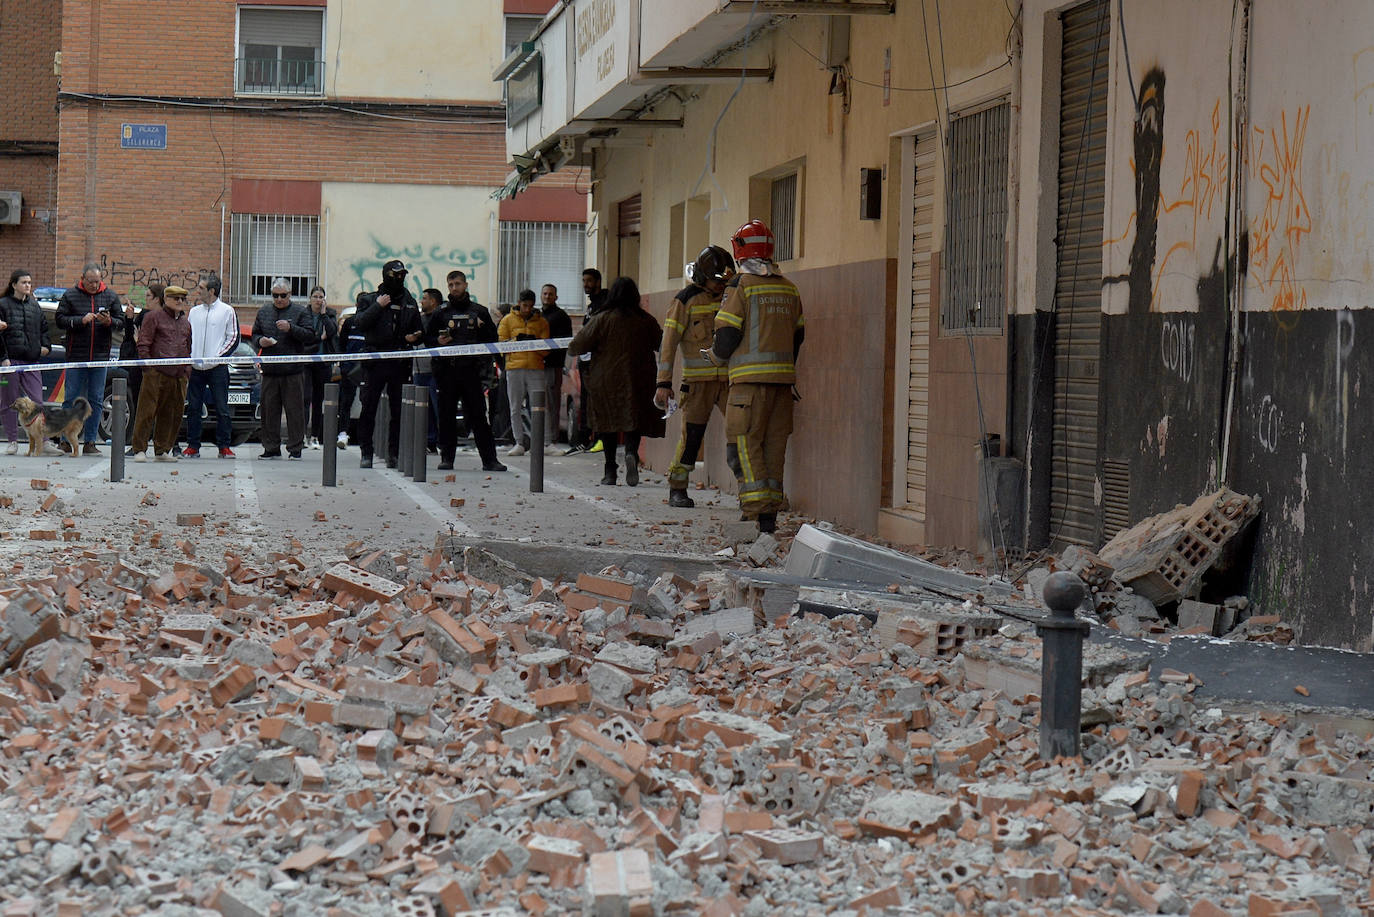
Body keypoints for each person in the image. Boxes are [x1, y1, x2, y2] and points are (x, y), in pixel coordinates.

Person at [711, 220, 805, 535]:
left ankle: (754, 515)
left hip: (748, 389)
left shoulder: (740, 286)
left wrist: (715, 357)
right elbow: (798, 336)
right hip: (782, 387)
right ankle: (768, 523)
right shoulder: (789, 288)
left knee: (743, 448)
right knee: (773, 451)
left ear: (739, 249)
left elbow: (726, 336)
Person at [655, 245, 736, 507]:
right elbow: (668, 344)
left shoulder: (733, 297)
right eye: (715, 281)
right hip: (697, 384)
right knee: (691, 438)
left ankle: (749, 491)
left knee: (741, 434)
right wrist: (663, 383)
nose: (719, 286)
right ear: (703, 277)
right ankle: (677, 487)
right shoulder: (684, 301)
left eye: (723, 281)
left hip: (729, 382)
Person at [567, 276, 665, 486]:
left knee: (607, 423)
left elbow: (577, 346)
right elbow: (661, 344)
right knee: (633, 420)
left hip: (605, 379)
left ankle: (610, 470)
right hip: (640, 377)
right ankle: (631, 452)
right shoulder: (645, 320)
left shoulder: (602, 318)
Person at [428, 270, 505, 472]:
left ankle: (490, 460)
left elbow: (492, 340)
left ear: (466, 285)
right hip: (448, 372)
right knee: (446, 416)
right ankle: (447, 458)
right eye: (451, 285)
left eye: (458, 284)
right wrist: (438, 341)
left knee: (479, 417)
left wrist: (481, 329)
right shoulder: (440, 313)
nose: (455, 288)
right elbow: (428, 341)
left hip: (472, 372)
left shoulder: (479, 311)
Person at [354, 259, 422, 469]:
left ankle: (394, 453)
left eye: (402, 275)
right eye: (395, 275)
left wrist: (414, 338)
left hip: (399, 361)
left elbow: (419, 331)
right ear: (386, 274)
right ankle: (367, 452)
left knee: (398, 411)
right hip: (375, 360)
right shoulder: (370, 299)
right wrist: (378, 306)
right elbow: (360, 323)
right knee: (369, 409)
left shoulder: (409, 301)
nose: (399, 279)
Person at [55, 262, 121, 454]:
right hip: (76, 356)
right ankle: (65, 440)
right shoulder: (70, 295)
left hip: (100, 357)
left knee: (96, 399)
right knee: (70, 398)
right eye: (90, 281)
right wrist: (79, 321)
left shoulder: (110, 296)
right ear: (82, 278)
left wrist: (109, 322)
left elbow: (120, 323)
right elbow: (60, 320)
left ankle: (90, 441)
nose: (94, 285)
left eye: (97, 281)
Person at [251, 279, 314, 460]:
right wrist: (260, 342)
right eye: (275, 296)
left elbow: (310, 335)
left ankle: (295, 448)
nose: (279, 299)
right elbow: (255, 334)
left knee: (295, 411)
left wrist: (291, 328)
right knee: (269, 411)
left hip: (293, 371)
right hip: (270, 371)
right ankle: (271, 447)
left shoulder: (300, 312)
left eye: (283, 295)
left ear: (290, 294)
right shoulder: (264, 312)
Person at [130, 285, 193, 463]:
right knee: (146, 411)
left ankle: (163, 449)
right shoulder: (153, 317)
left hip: (178, 374)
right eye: (176, 298)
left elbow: (188, 347)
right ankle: (139, 449)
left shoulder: (185, 323)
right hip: (156, 372)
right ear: (166, 299)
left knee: (172, 413)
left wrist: (186, 371)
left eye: (182, 299)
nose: (180, 302)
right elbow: (143, 343)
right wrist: (148, 370)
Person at [185, 274, 240, 459]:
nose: (198, 290)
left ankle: (224, 446)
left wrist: (218, 357)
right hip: (196, 368)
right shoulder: (194, 312)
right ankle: (193, 445)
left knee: (222, 408)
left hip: (218, 368)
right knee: (193, 407)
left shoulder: (227, 311)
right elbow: (188, 337)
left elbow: (233, 338)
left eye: (201, 288)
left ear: (212, 291)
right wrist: (189, 359)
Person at [0, 269, 52, 455]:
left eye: (29, 282)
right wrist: (3, 358)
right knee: (9, 402)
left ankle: (44, 441)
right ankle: (13, 440)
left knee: (37, 401)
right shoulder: (3, 305)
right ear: (14, 285)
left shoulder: (34, 306)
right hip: (10, 363)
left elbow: (44, 329)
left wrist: (45, 346)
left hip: (31, 361)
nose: (28, 286)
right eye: (24, 282)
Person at [497, 289, 550, 457]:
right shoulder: (507, 321)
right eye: (524, 305)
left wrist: (534, 343)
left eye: (530, 306)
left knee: (541, 405)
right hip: (514, 368)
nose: (527, 309)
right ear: (519, 303)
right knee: (515, 406)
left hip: (535, 367)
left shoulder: (542, 322)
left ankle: (546, 442)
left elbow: (546, 349)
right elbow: (501, 345)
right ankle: (519, 442)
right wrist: (516, 342)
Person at [568, 268, 609, 453]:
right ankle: (585, 439)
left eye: (589, 281)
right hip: (586, 360)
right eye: (584, 281)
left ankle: (601, 438)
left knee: (597, 401)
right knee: (586, 402)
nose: (586, 284)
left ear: (598, 281)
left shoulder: (604, 304)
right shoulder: (591, 305)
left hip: (598, 361)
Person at [302, 285, 338, 450]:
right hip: (307, 362)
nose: (318, 300)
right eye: (315, 297)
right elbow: (305, 337)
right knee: (305, 398)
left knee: (319, 400)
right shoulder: (304, 314)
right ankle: (302, 434)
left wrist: (324, 315)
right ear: (310, 299)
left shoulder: (330, 314)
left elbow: (331, 332)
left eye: (321, 297)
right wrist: (318, 337)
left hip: (323, 363)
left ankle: (315, 436)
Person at [539, 283, 571, 453]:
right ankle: (540, 439)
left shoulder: (561, 316)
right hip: (537, 366)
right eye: (544, 293)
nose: (547, 296)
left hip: (553, 366)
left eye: (550, 294)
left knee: (552, 403)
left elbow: (564, 343)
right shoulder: (536, 315)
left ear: (556, 297)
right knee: (538, 404)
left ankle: (552, 440)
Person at [413, 288, 443, 454]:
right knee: (424, 410)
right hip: (418, 369)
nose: (421, 301)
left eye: (424, 298)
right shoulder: (419, 318)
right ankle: (429, 440)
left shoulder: (439, 318)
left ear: (433, 301)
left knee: (438, 407)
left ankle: (442, 441)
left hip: (434, 369)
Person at [334, 306, 368, 448]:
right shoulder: (350, 323)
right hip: (350, 369)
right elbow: (341, 345)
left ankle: (363, 436)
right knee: (347, 402)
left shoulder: (372, 323)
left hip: (366, 369)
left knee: (366, 403)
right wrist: (343, 366)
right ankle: (343, 433)